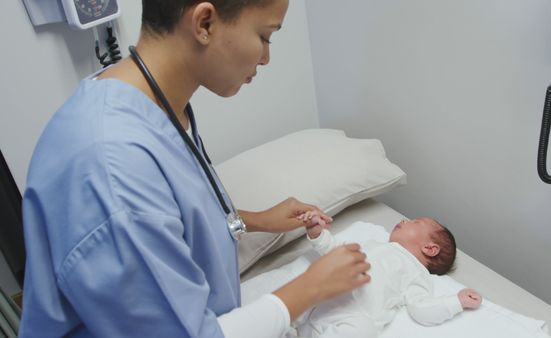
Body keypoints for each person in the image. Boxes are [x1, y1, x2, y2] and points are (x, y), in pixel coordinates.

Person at [18, 1, 371, 337]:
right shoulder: (111, 167)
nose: (265, 58)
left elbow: (169, 212)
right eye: (264, 36)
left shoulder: (147, 99)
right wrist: (311, 287)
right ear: (204, 23)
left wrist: (254, 220)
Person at [293, 212, 483, 337]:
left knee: (363, 329)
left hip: (353, 313)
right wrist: (318, 234)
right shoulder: (374, 245)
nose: (403, 220)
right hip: (324, 294)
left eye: (414, 222)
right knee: (297, 290)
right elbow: (338, 251)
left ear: (429, 248)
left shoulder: (417, 273)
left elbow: (421, 308)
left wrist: (457, 301)